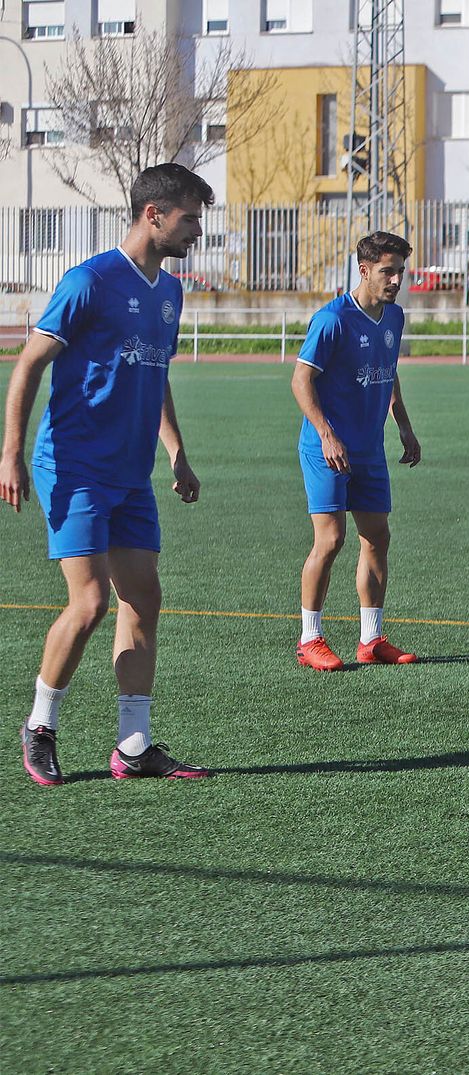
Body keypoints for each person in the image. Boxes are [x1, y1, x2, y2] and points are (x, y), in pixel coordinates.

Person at [2, 163, 214, 785]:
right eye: (190, 218)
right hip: (75, 465)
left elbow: (156, 374)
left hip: (130, 472)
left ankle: (133, 745)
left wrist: (176, 451)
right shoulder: (89, 281)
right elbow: (28, 364)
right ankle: (40, 725)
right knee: (91, 601)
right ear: (155, 215)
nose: (197, 230)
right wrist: (11, 451)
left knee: (142, 597)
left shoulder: (170, 292)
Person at [293, 231, 423, 671]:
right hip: (325, 448)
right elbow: (301, 381)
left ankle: (371, 639)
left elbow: (388, 372)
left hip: (368, 449)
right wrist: (327, 434)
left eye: (400, 271)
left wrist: (403, 426)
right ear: (364, 270)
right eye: (387, 271)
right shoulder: (332, 320)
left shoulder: (393, 318)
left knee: (377, 538)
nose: (395, 280)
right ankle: (309, 638)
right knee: (330, 540)